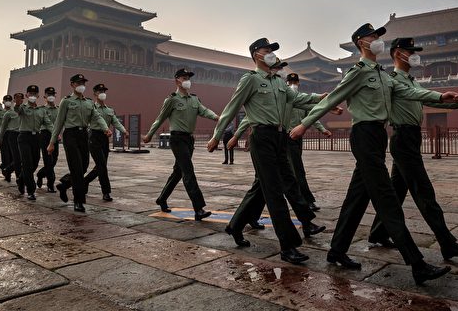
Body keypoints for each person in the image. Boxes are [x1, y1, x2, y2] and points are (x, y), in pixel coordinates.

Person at [290, 23, 458, 285]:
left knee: (357, 197)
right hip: (364, 135)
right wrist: (304, 124)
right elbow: (331, 99)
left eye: (378, 36)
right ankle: (417, 264)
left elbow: (409, 91)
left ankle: (336, 251)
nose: (377, 40)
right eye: (372, 37)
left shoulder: (383, 74)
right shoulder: (357, 73)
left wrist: (441, 96)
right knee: (387, 200)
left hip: (379, 135)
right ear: (361, 43)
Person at [207, 39, 325, 265]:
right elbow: (231, 107)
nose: (271, 54)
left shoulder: (279, 82)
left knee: (283, 181)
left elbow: (297, 99)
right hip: (262, 138)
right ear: (256, 55)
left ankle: (235, 226)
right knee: (273, 192)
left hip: (280, 137)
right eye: (267, 50)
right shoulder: (250, 80)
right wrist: (216, 136)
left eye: (272, 51)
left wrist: (320, 98)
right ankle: (288, 245)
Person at [366, 37, 458, 260]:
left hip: (410, 138)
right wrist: (439, 95)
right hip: (403, 139)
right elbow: (418, 95)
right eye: (411, 51)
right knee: (424, 192)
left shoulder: (411, 80)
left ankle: (378, 232)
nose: (415, 55)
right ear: (398, 54)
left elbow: (428, 100)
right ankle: (447, 243)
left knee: (397, 191)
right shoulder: (393, 80)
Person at [143, 68, 217, 220]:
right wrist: (150, 134)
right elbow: (160, 118)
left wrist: (217, 117)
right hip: (177, 139)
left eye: (189, 77)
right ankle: (199, 208)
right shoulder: (171, 99)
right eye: (184, 77)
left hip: (189, 140)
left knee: (178, 172)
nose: (187, 80)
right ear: (177, 80)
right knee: (188, 171)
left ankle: (162, 199)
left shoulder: (194, 99)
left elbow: (204, 111)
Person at [48, 74, 110, 212]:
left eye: (83, 82)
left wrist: (105, 128)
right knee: (76, 168)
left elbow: (97, 116)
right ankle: (79, 201)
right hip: (70, 135)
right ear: (72, 85)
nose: (81, 85)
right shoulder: (66, 102)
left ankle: (64, 185)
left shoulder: (88, 102)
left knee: (84, 166)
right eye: (78, 83)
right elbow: (58, 123)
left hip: (83, 135)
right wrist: (52, 142)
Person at [285, 72, 332, 211]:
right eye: (290, 83)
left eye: (295, 83)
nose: (292, 85)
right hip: (287, 137)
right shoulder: (285, 99)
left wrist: (322, 129)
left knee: (291, 170)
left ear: (299, 83)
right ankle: (307, 200)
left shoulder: (301, 99)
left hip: (298, 138)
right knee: (297, 170)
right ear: (286, 84)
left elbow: (312, 116)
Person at [84, 83, 127, 202]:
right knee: (102, 166)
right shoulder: (91, 108)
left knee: (100, 166)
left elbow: (115, 122)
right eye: (99, 91)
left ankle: (85, 182)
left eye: (103, 91)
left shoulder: (110, 110)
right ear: (95, 94)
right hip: (94, 137)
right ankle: (106, 192)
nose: (102, 93)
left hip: (104, 139)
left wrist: (124, 131)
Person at [14, 85, 54, 201]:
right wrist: (17, 103)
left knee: (35, 163)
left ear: (37, 95)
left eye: (34, 94)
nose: (32, 96)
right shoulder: (23, 107)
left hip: (36, 138)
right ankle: (31, 190)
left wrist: (55, 134)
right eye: (30, 94)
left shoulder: (41, 110)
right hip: (24, 137)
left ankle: (21, 179)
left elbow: (48, 123)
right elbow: (17, 110)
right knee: (27, 164)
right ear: (26, 95)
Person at [0, 93, 23, 193]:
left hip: (22, 135)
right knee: (10, 157)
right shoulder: (6, 113)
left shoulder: (26, 111)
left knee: (18, 158)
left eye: (20, 99)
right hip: (10, 135)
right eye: (17, 99)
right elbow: (1, 127)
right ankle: (17, 177)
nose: (18, 101)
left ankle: (8, 170)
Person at [36, 87, 59, 193]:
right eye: (48, 94)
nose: (51, 96)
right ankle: (50, 184)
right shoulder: (42, 110)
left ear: (55, 96)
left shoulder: (58, 109)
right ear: (45, 96)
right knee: (48, 160)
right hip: (45, 135)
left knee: (54, 160)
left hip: (55, 136)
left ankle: (40, 174)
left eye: (52, 94)